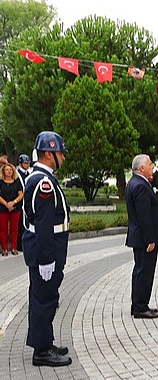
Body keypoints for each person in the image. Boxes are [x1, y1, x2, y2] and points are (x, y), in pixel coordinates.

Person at [22, 131, 71, 366]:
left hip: (47, 248)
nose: (63, 157)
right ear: (50, 154)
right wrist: (46, 260)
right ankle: (41, 352)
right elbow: (42, 225)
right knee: (44, 298)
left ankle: (44, 340)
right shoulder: (43, 182)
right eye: (60, 152)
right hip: (47, 249)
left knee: (45, 296)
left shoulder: (42, 178)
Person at [125, 154, 158, 320]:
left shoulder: (135, 182)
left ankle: (138, 305)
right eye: (150, 164)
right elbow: (144, 216)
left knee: (140, 271)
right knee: (144, 272)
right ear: (142, 168)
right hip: (145, 239)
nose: (152, 166)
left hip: (140, 236)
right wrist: (150, 239)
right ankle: (140, 307)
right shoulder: (141, 185)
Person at [0, 164, 23, 256]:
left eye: (11, 170)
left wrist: (13, 202)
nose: (9, 171)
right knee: (3, 229)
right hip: (2, 208)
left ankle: (14, 247)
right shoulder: (0, 182)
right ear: (3, 172)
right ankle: (4, 249)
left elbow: (21, 194)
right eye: (7, 170)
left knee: (14, 229)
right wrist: (6, 204)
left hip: (15, 208)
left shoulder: (17, 182)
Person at [16, 154, 31, 252]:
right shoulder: (17, 174)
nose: (27, 165)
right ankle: (20, 245)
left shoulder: (29, 173)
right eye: (25, 163)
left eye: (28, 163)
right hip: (19, 202)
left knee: (27, 223)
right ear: (21, 163)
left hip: (27, 202)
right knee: (20, 225)